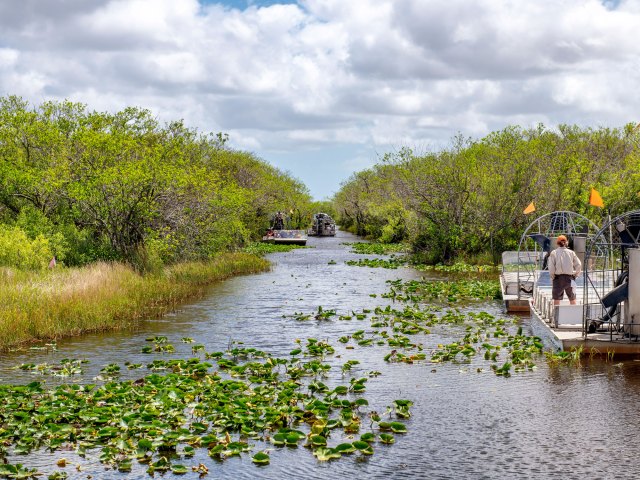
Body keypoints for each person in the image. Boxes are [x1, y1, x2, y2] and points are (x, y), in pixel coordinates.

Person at [547, 235, 581, 305]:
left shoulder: (554, 253)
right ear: (566, 243)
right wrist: (575, 275)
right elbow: (579, 264)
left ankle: (556, 315)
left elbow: (551, 267)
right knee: (572, 298)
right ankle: (573, 313)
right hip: (569, 278)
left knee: (556, 299)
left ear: (557, 243)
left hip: (558, 278)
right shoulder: (571, 253)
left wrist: (553, 277)